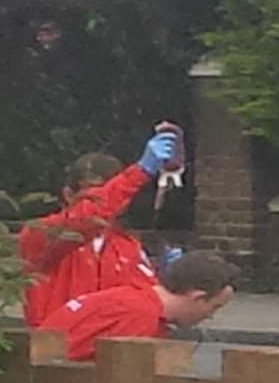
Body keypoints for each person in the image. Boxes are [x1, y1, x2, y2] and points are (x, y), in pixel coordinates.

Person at [16, 128, 179, 328]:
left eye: (110, 192)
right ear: (68, 194)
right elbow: (86, 218)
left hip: (116, 352)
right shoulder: (42, 233)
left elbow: (145, 307)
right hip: (54, 350)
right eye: (91, 195)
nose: (103, 201)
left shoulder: (128, 247)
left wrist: (168, 284)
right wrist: (139, 173)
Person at [45, 250, 238, 361]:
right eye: (214, 307)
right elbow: (123, 382)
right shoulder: (141, 317)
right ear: (197, 297)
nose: (211, 316)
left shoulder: (131, 297)